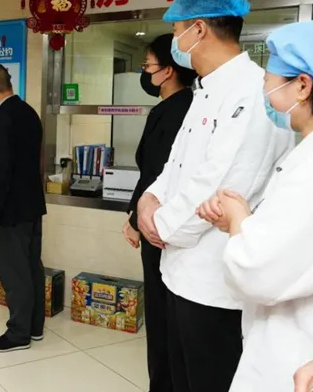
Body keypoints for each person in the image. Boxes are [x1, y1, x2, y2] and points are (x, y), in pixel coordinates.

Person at [135, 0, 295, 392]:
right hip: (178, 271)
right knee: (178, 377)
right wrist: (150, 199)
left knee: (207, 379)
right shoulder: (205, 90)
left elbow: (223, 182)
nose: (176, 42)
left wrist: (160, 226)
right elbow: (177, 164)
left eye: (177, 32)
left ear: (199, 30)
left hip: (213, 282)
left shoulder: (252, 92)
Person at [195, 20, 313, 392]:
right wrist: (246, 222)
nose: (265, 91)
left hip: (303, 350)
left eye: (269, 79)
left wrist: (238, 219)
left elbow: (258, 270)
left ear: (303, 85)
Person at [123, 34, 196, 392]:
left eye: (148, 65)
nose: (144, 72)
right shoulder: (186, 105)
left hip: (159, 224)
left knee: (161, 310)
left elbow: (155, 172)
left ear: (168, 71)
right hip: (166, 220)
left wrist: (135, 220)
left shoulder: (175, 110)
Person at [0, 62, 46, 353]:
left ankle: (18, 334)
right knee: (31, 268)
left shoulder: (2, 120)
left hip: (10, 212)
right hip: (31, 206)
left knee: (14, 274)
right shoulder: (28, 113)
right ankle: (34, 327)